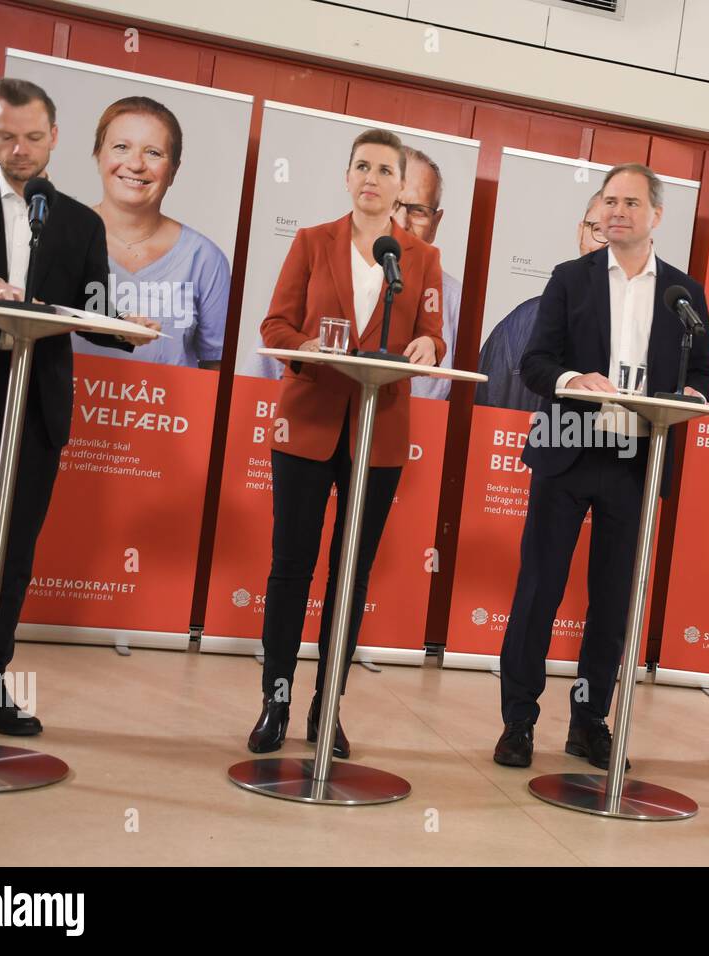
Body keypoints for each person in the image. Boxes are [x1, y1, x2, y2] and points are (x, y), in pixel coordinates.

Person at [0, 78, 157, 734]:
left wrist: (123, 325)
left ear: (55, 136)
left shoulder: (80, 221)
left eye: (34, 136)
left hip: (36, 398)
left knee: (13, 547)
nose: (21, 149)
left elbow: (87, 308)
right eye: (6, 136)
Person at [493, 163, 709, 770]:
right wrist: (574, 380)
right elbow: (536, 363)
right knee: (538, 589)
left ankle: (590, 723)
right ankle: (519, 721)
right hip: (568, 446)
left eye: (630, 202)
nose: (617, 212)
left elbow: (705, 377)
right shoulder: (571, 279)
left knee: (612, 600)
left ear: (656, 215)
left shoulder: (683, 293)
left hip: (635, 458)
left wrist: (693, 398)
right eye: (609, 202)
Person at [246, 128, 445, 756]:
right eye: (362, 166)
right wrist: (302, 347)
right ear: (347, 176)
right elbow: (275, 321)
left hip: (377, 435)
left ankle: (325, 709)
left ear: (399, 186)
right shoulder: (311, 242)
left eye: (386, 170)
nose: (372, 178)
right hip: (306, 423)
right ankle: (274, 703)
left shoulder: (419, 258)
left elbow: (434, 334)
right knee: (290, 568)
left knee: (350, 574)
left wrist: (428, 346)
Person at [73, 96, 231, 370]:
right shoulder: (61, 237)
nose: (135, 164)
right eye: (121, 147)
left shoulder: (204, 260)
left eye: (153, 153)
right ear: (99, 155)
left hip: (164, 413)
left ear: (173, 170)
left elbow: (214, 367)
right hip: (67, 410)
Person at [475, 191, 606, 413]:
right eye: (599, 230)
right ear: (581, 232)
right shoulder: (517, 327)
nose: (606, 246)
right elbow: (480, 419)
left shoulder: (647, 339)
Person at [392, 145, 460, 400]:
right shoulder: (318, 273)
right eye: (391, 204)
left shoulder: (454, 301)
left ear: (435, 224)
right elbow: (263, 378)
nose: (400, 223)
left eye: (417, 210)